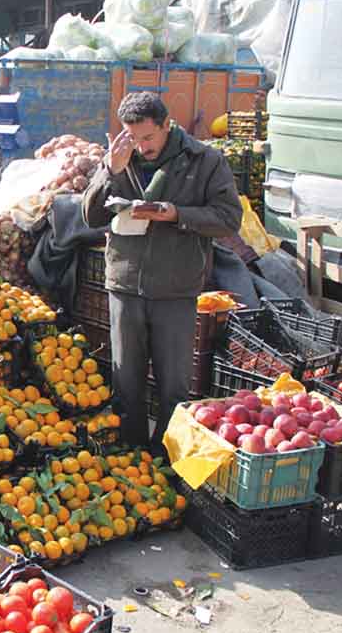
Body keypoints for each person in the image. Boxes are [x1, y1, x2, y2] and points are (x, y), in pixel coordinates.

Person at [82, 92, 242, 449]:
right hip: (124, 283)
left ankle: (166, 460)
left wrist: (176, 214)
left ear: (166, 125)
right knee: (126, 381)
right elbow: (90, 216)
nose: (141, 146)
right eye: (133, 138)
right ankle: (131, 455)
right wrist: (112, 170)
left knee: (174, 385)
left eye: (148, 138)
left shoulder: (204, 160)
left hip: (176, 286)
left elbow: (229, 218)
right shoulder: (120, 158)